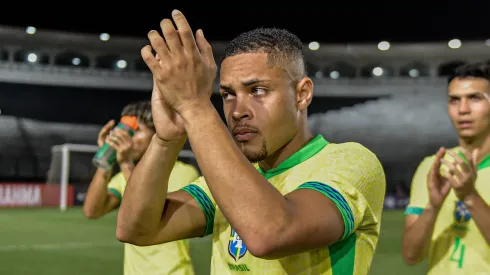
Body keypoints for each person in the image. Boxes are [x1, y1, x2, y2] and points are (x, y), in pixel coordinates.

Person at [116, 10, 386, 275]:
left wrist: (195, 106)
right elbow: (136, 229)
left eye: (257, 90)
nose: (237, 111)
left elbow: (270, 233)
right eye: (227, 94)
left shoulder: (351, 162)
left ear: (302, 94)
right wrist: (166, 141)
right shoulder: (230, 178)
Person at [83, 100, 199, 275]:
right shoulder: (125, 175)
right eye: (126, 131)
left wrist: (126, 165)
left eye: (136, 131)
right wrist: (106, 159)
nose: (128, 138)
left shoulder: (183, 172)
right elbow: (93, 211)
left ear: (157, 133)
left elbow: (152, 213)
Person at [402, 62, 490, 274]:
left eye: (475, 98)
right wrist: (433, 206)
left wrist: (469, 196)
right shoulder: (431, 167)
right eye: (454, 100)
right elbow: (411, 256)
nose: (463, 109)